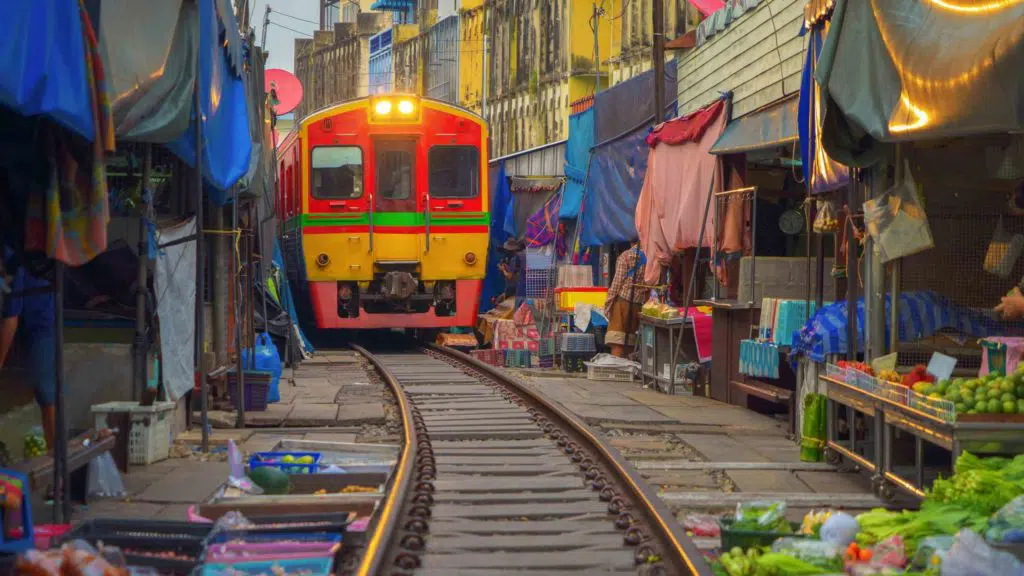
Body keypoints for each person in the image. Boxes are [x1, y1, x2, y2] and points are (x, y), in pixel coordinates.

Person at [0, 247, 57, 453]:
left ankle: (55, 458)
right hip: (40, 323)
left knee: (46, 392)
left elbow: (11, 320)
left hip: (40, 326)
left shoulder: (17, 262)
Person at [603, 243, 647, 358]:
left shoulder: (625, 256)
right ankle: (628, 372)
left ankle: (617, 373)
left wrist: (608, 305)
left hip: (622, 303)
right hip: (638, 305)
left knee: (617, 342)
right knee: (630, 343)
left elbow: (616, 284)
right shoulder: (649, 257)